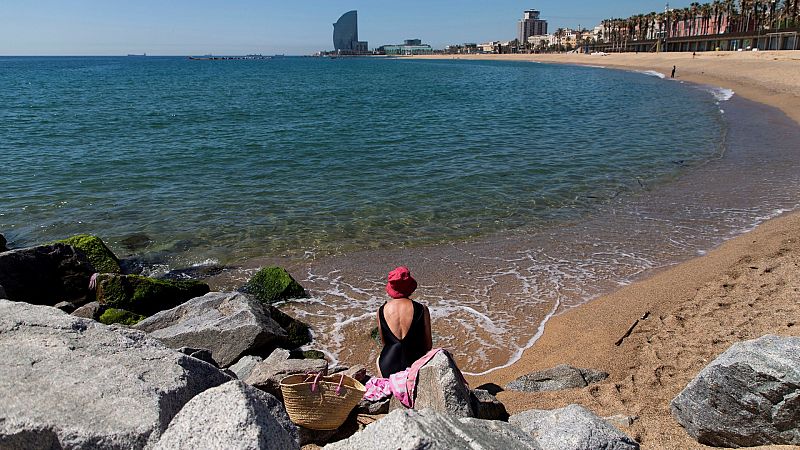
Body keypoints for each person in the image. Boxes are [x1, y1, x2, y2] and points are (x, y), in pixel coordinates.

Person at [376, 266, 433, 377]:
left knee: (379, 359)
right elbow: (428, 345)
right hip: (415, 366)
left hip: (388, 366)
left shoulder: (381, 310)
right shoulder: (422, 309)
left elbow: (384, 343)